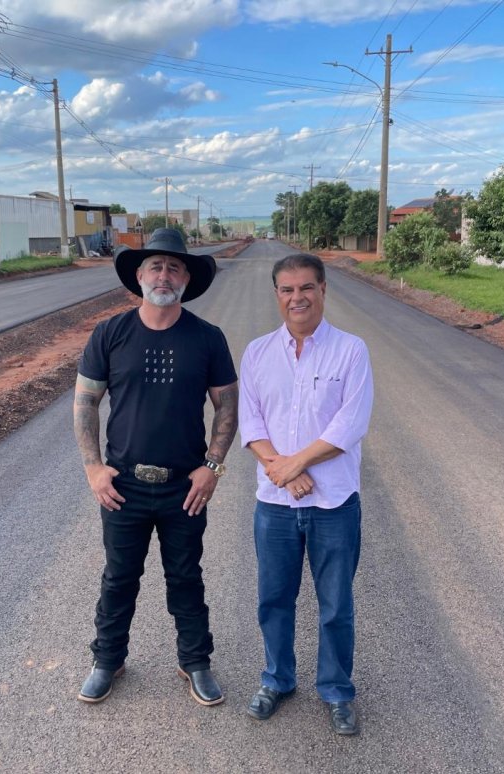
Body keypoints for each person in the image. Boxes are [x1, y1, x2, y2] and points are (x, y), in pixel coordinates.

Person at [73, 227, 238, 707]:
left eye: (174, 267)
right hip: (122, 485)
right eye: (155, 266)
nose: (164, 275)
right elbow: (85, 403)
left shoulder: (207, 338)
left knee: (185, 575)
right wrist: (93, 468)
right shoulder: (110, 334)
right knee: (119, 576)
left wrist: (212, 467)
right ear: (140, 276)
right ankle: (107, 660)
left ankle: (195, 661)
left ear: (186, 278)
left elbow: (227, 408)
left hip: (184, 487)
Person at [238, 253, 374, 735]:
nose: (297, 298)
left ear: (323, 290)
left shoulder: (351, 351)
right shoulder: (257, 353)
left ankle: (336, 690)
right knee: (274, 599)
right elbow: (251, 422)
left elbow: (350, 424)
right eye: (287, 289)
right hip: (275, 505)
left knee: (335, 604)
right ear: (277, 295)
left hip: (333, 503)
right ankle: (277, 679)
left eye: (306, 288)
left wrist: (295, 463)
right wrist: (283, 470)